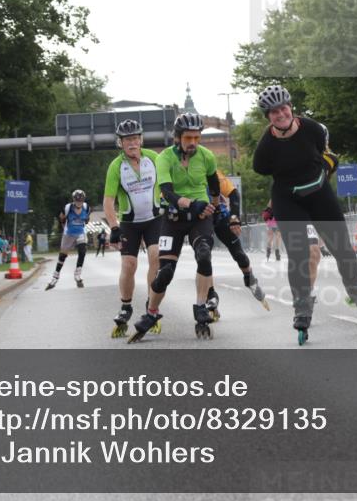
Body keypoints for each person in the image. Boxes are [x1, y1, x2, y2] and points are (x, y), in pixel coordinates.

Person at [252, 85, 357, 345]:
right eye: (273, 111)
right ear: (268, 116)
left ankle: (356, 287)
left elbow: (324, 155)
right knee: (300, 254)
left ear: (290, 107)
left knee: (343, 249)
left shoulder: (312, 129)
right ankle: (302, 308)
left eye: (283, 108)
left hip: (319, 193)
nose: (280, 114)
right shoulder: (265, 147)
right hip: (288, 199)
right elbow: (262, 169)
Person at [128, 113, 220, 342]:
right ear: (177, 137)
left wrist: (217, 209)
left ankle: (200, 306)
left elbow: (215, 187)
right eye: (188, 138)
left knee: (204, 255)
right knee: (165, 272)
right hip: (174, 217)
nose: (193, 143)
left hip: (200, 216)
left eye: (197, 138)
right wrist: (190, 203)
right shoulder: (164, 158)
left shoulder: (207, 156)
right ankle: (151, 313)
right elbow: (167, 192)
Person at [102, 119, 163, 338]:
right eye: (127, 139)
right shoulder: (116, 167)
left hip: (155, 219)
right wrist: (114, 227)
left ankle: (151, 305)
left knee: (156, 255)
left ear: (141, 139)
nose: (132, 143)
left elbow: (169, 183)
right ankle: (126, 307)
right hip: (129, 223)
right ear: (120, 143)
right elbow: (108, 202)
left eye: (136, 138)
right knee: (129, 264)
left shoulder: (155, 158)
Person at [204, 169, 270, 315]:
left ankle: (250, 279)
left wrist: (234, 219)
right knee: (204, 258)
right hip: (201, 220)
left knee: (239, 254)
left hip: (220, 217)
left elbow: (234, 194)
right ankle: (210, 296)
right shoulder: (181, 171)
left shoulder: (211, 170)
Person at [45, 189, 91, 290]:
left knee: (82, 251)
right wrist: (64, 226)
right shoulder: (67, 207)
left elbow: (87, 219)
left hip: (80, 232)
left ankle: (77, 274)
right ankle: (55, 276)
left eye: (81, 201)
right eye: (77, 201)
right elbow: (61, 217)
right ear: (74, 200)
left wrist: (85, 221)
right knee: (62, 256)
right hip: (69, 233)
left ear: (83, 200)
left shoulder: (86, 207)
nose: (79, 203)